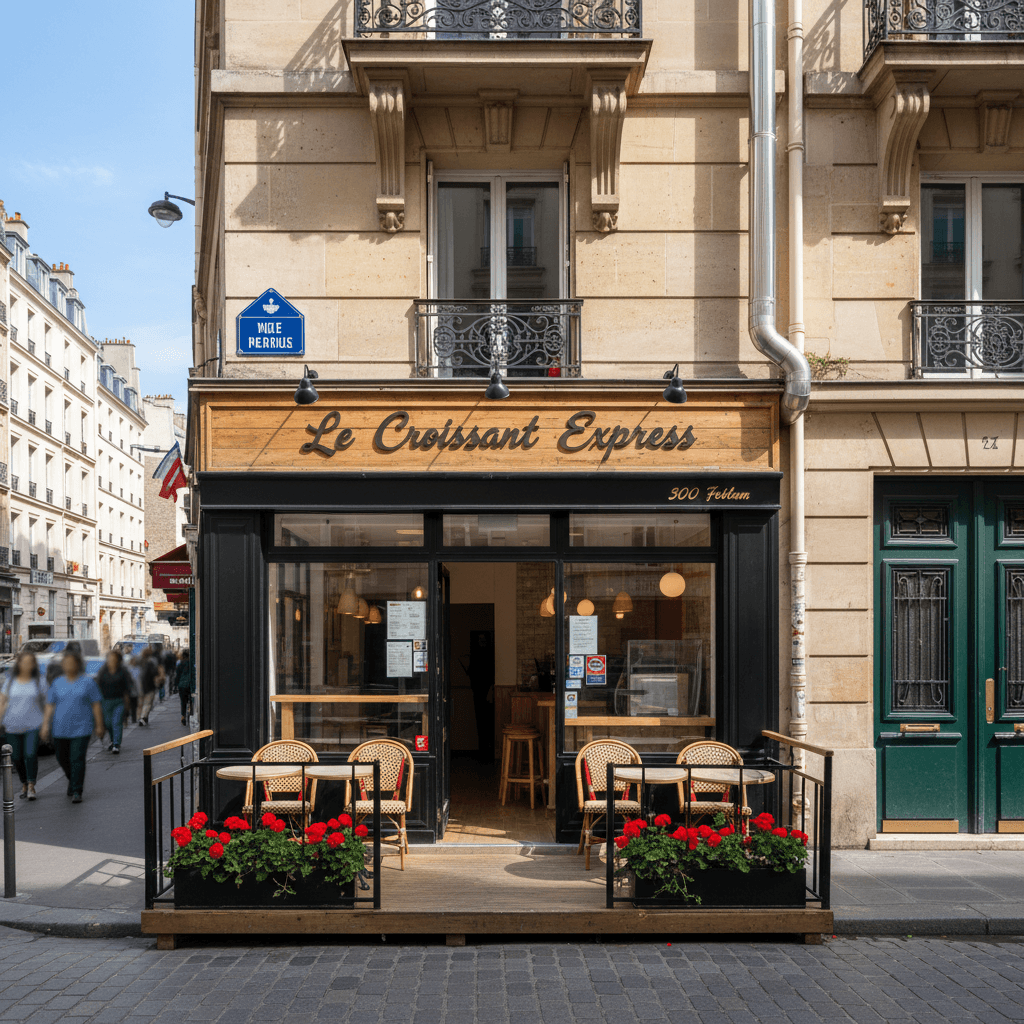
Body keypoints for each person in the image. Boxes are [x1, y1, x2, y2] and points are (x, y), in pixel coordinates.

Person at [40, 649, 104, 804]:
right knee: (61, 758)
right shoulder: (57, 683)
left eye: (72, 662)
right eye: (66, 662)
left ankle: (77, 790)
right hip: (60, 728)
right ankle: (72, 779)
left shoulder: (88, 682)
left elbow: (95, 705)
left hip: (82, 728)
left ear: (78, 664)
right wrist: (45, 726)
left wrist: (99, 725)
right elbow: (49, 705)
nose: (69, 665)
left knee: (77, 758)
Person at [0, 652, 47, 800]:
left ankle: (31, 784)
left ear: (34, 665)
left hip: (33, 725)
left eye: (30, 662)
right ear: (18, 664)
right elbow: (3, 701)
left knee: (30, 754)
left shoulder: (40, 681)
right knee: (17, 757)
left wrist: (46, 724)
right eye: (24, 662)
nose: (26, 665)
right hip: (12, 725)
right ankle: (24, 782)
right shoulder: (10, 682)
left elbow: (48, 704)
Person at [96, 650, 134, 754]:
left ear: (118, 660)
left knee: (116, 722)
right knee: (108, 723)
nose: (111, 660)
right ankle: (113, 740)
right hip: (106, 701)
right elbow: (98, 685)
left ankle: (116, 744)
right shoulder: (103, 671)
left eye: (113, 659)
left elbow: (128, 687)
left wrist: (127, 702)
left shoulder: (123, 671)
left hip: (119, 701)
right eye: (109, 658)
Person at [137, 647, 164, 726]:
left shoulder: (139, 661)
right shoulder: (151, 662)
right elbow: (154, 673)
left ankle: (141, 717)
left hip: (140, 685)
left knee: (141, 703)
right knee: (148, 703)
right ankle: (143, 717)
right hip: (149, 685)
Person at [176, 648, 193, 726]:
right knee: (191, 700)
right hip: (190, 684)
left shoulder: (180, 664)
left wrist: (175, 686)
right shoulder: (192, 663)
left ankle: (183, 716)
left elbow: (177, 676)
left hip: (182, 685)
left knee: (183, 702)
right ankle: (191, 711)